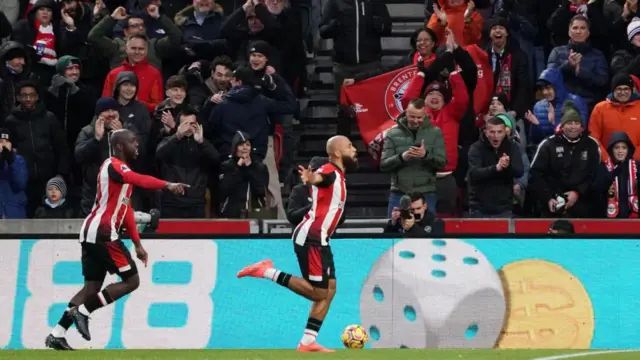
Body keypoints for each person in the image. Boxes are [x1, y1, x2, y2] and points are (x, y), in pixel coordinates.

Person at [45, 129, 189, 350]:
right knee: (132, 281)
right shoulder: (114, 165)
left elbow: (127, 211)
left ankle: (57, 333)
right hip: (103, 233)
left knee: (91, 288)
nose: (137, 144)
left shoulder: (121, 173)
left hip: (91, 233)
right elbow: (139, 179)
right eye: (133, 141)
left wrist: (138, 244)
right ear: (120, 146)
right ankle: (82, 311)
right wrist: (167, 185)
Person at [236, 135, 358, 352]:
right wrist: (312, 179)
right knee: (318, 293)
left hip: (321, 240)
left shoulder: (338, 175)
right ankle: (266, 271)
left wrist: (314, 181)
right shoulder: (330, 170)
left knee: (330, 289)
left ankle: (308, 342)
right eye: (350, 146)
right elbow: (321, 178)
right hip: (311, 238)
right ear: (338, 153)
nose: (355, 149)